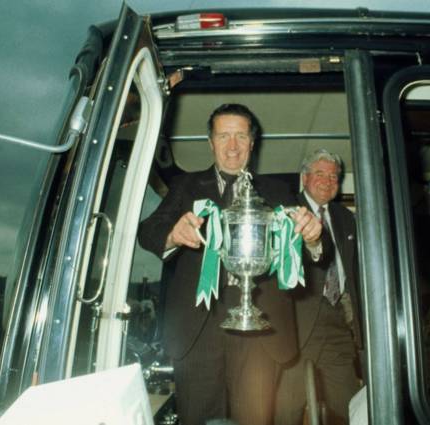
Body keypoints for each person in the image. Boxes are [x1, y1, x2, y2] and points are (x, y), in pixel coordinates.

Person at [137, 104, 322, 425]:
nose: (232, 146)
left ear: (252, 142)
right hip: (198, 327)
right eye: (224, 136)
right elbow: (147, 231)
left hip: (262, 329)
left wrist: (312, 238)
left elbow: (304, 247)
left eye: (240, 136)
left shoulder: (278, 191)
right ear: (211, 143)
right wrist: (172, 234)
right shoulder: (186, 186)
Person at [275, 149, 363, 425]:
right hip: (297, 324)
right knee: (287, 410)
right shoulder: (287, 211)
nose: (327, 181)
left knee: (352, 407)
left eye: (334, 176)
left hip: (338, 320)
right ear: (304, 178)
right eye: (320, 174)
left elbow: (353, 270)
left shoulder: (346, 218)